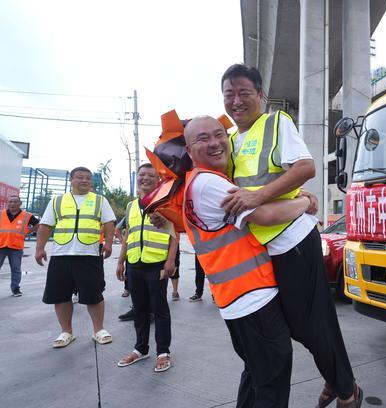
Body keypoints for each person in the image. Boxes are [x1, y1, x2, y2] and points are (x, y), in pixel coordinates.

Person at [221, 64, 362, 407]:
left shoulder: (275, 123)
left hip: (293, 241)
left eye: (243, 92)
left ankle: (346, 391)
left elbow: (305, 167)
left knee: (308, 325)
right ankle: (338, 380)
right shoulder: (228, 142)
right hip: (258, 250)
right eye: (229, 94)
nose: (236, 101)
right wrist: (301, 198)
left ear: (260, 95)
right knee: (288, 328)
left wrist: (260, 196)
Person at [183, 115, 313, 407]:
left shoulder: (199, 182)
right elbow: (267, 215)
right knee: (272, 382)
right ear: (189, 150)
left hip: (238, 300)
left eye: (219, 134)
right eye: (203, 139)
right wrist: (306, 203)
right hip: (252, 299)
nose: (216, 143)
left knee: (256, 376)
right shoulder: (209, 184)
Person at [36, 167, 115, 348]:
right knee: (60, 295)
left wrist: (109, 243)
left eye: (88, 178)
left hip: (89, 254)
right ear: (71, 180)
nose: (85, 181)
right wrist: (39, 248)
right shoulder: (57, 201)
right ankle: (66, 332)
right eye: (80, 177)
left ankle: (99, 330)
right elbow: (46, 225)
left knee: (94, 295)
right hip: (61, 255)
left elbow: (109, 223)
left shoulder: (99, 201)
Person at [116, 163, 178, 372]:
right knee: (139, 309)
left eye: (151, 175)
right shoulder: (131, 206)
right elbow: (128, 235)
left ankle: (163, 352)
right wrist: (120, 261)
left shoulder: (164, 203)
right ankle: (140, 349)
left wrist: (171, 261)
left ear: (158, 180)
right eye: (142, 174)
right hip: (134, 264)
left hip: (157, 265)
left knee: (160, 310)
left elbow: (174, 234)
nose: (145, 178)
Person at [0, 195, 39, 296]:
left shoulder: (27, 215)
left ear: (20, 203)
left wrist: (28, 232)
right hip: (1, 245)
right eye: (10, 202)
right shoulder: (1, 214)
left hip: (16, 247)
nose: (12, 204)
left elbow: (38, 224)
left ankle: (15, 289)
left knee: (16, 269)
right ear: (7, 203)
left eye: (15, 202)